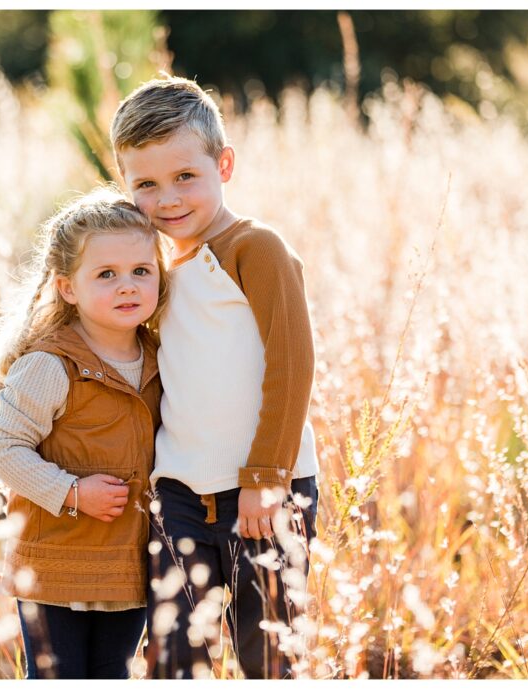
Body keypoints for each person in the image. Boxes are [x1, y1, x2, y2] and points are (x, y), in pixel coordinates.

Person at [110, 75, 320, 679]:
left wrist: (265, 478)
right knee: (176, 658)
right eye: (145, 184)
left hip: (266, 486)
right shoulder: (149, 271)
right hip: (179, 492)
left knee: (270, 655)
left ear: (223, 165)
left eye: (185, 177)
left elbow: (292, 363)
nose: (168, 198)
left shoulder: (255, 248)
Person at [0, 186, 169, 679]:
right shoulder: (51, 363)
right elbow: (1, 447)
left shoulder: (159, 356)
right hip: (55, 566)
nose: (127, 286)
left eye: (141, 272)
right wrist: (71, 492)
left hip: (126, 567)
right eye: (106, 274)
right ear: (68, 287)